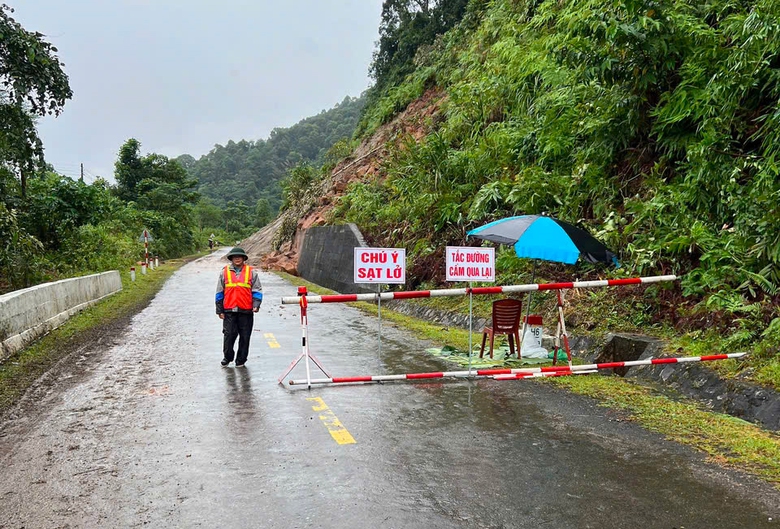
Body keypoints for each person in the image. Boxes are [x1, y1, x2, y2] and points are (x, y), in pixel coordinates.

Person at [215, 247, 263, 367]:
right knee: (228, 335)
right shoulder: (224, 272)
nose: (237, 259)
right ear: (231, 259)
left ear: (243, 258)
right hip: (229, 309)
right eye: (235, 257)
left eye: (239, 257)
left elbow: (257, 290)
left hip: (246, 310)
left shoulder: (251, 272)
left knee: (245, 336)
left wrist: (256, 305)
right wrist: (219, 310)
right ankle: (227, 357)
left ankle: (241, 360)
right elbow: (219, 292)